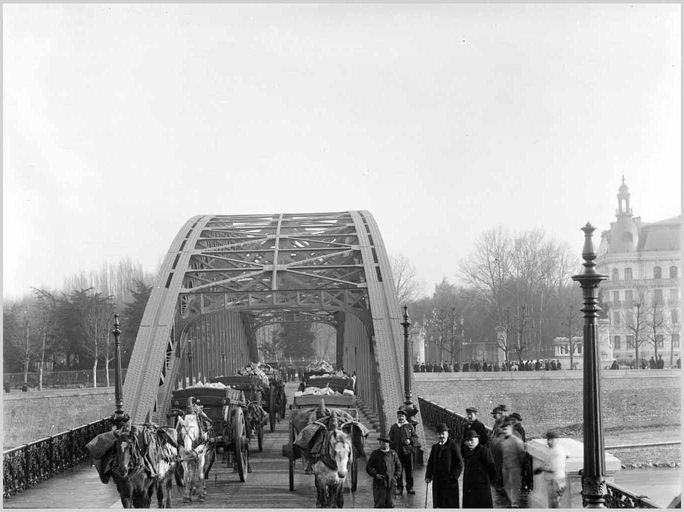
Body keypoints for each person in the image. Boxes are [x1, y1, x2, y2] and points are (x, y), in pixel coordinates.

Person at [425, 423, 463, 508]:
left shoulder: (453, 445)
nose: (441, 436)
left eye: (443, 433)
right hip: (438, 481)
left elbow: (459, 464)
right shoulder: (435, 447)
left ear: (447, 434)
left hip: (449, 483)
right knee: (439, 503)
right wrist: (428, 475)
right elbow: (430, 463)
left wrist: (453, 477)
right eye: (439, 434)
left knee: (449, 504)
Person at [462, 429, 497, 508]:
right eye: (468, 441)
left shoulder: (484, 451)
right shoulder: (467, 451)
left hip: (482, 489)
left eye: (471, 440)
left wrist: (486, 481)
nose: (469, 443)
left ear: (477, 439)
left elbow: (492, 469)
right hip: (469, 489)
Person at [534, 431, 569, 508]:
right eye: (548, 439)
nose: (549, 441)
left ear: (557, 440)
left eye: (551, 440)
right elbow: (567, 455)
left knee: (554, 501)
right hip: (555, 478)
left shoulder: (557, 451)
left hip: (555, 480)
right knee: (553, 500)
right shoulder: (555, 449)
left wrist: (541, 468)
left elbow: (553, 468)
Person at [366, 435, 403, 508]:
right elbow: (368, 467)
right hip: (379, 483)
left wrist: (395, 477)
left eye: (386, 442)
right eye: (382, 442)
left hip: (391, 482)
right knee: (379, 504)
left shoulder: (393, 454)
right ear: (380, 443)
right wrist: (376, 475)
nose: (384, 444)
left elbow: (399, 467)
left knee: (390, 504)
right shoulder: (375, 453)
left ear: (389, 443)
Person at [388, 408, 419, 495]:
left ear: (405, 417)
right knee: (398, 470)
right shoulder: (394, 427)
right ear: (397, 417)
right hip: (397, 452)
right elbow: (390, 439)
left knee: (409, 470)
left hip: (408, 452)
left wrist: (410, 440)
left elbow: (415, 438)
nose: (401, 418)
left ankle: (410, 488)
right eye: (399, 416)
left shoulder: (409, 426)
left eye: (402, 416)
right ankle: (399, 488)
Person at [498, 419, 526, 508]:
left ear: (511, 429)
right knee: (507, 486)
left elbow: (522, 456)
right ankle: (511, 502)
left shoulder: (517, 441)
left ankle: (515, 505)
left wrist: (522, 468)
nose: (504, 431)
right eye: (504, 429)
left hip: (515, 468)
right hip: (505, 467)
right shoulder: (503, 440)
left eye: (506, 429)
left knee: (514, 487)